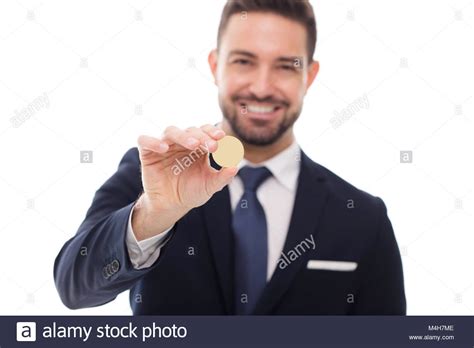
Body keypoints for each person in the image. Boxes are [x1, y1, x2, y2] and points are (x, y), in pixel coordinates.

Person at [54, 0, 406, 315]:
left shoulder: (363, 217)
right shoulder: (152, 177)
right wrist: (155, 213)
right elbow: (73, 288)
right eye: (243, 61)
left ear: (309, 76)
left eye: (285, 66)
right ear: (215, 65)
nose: (262, 86)